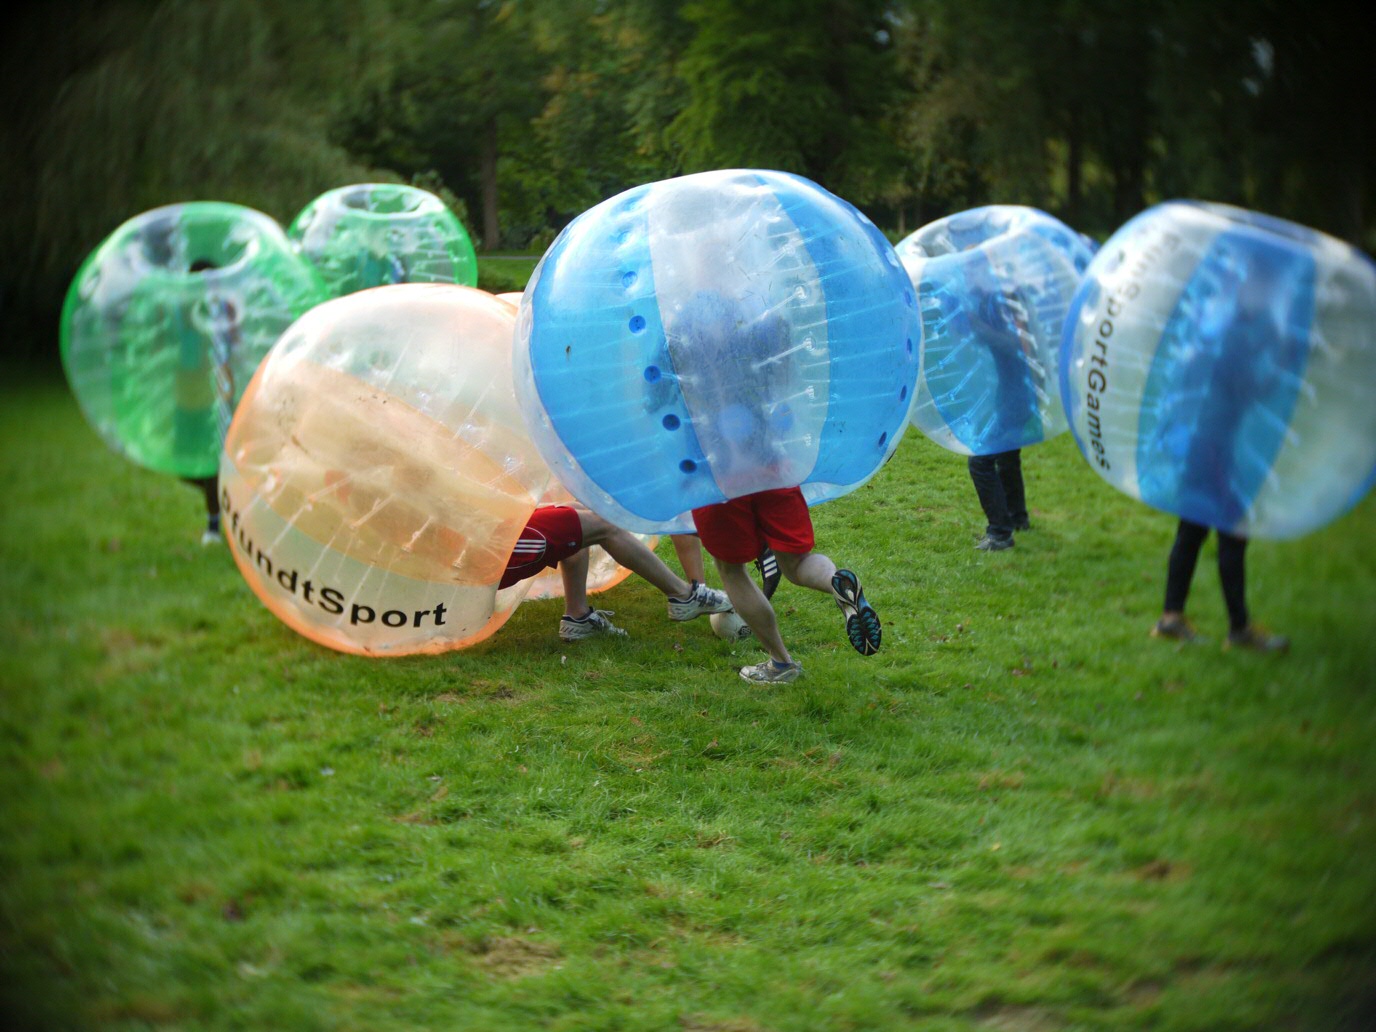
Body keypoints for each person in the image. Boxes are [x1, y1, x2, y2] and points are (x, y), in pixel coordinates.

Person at [1149, 244, 1293, 654]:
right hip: (1210, 443)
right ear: (1248, 285)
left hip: (1209, 441)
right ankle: (1239, 629)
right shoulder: (1232, 331)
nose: (1267, 293)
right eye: (1263, 285)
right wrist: (1282, 362)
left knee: (1192, 528)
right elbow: (1246, 390)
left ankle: (1172, 618)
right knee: (1232, 531)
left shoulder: (1238, 323)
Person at [692, 487, 881, 683]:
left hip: (720, 485)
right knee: (798, 562)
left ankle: (781, 664)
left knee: (731, 570)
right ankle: (836, 583)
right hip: (774, 474)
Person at [501, 504, 733, 642]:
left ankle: (578, 617)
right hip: (493, 550)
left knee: (577, 514)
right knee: (603, 526)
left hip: (488, 536)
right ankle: (684, 596)